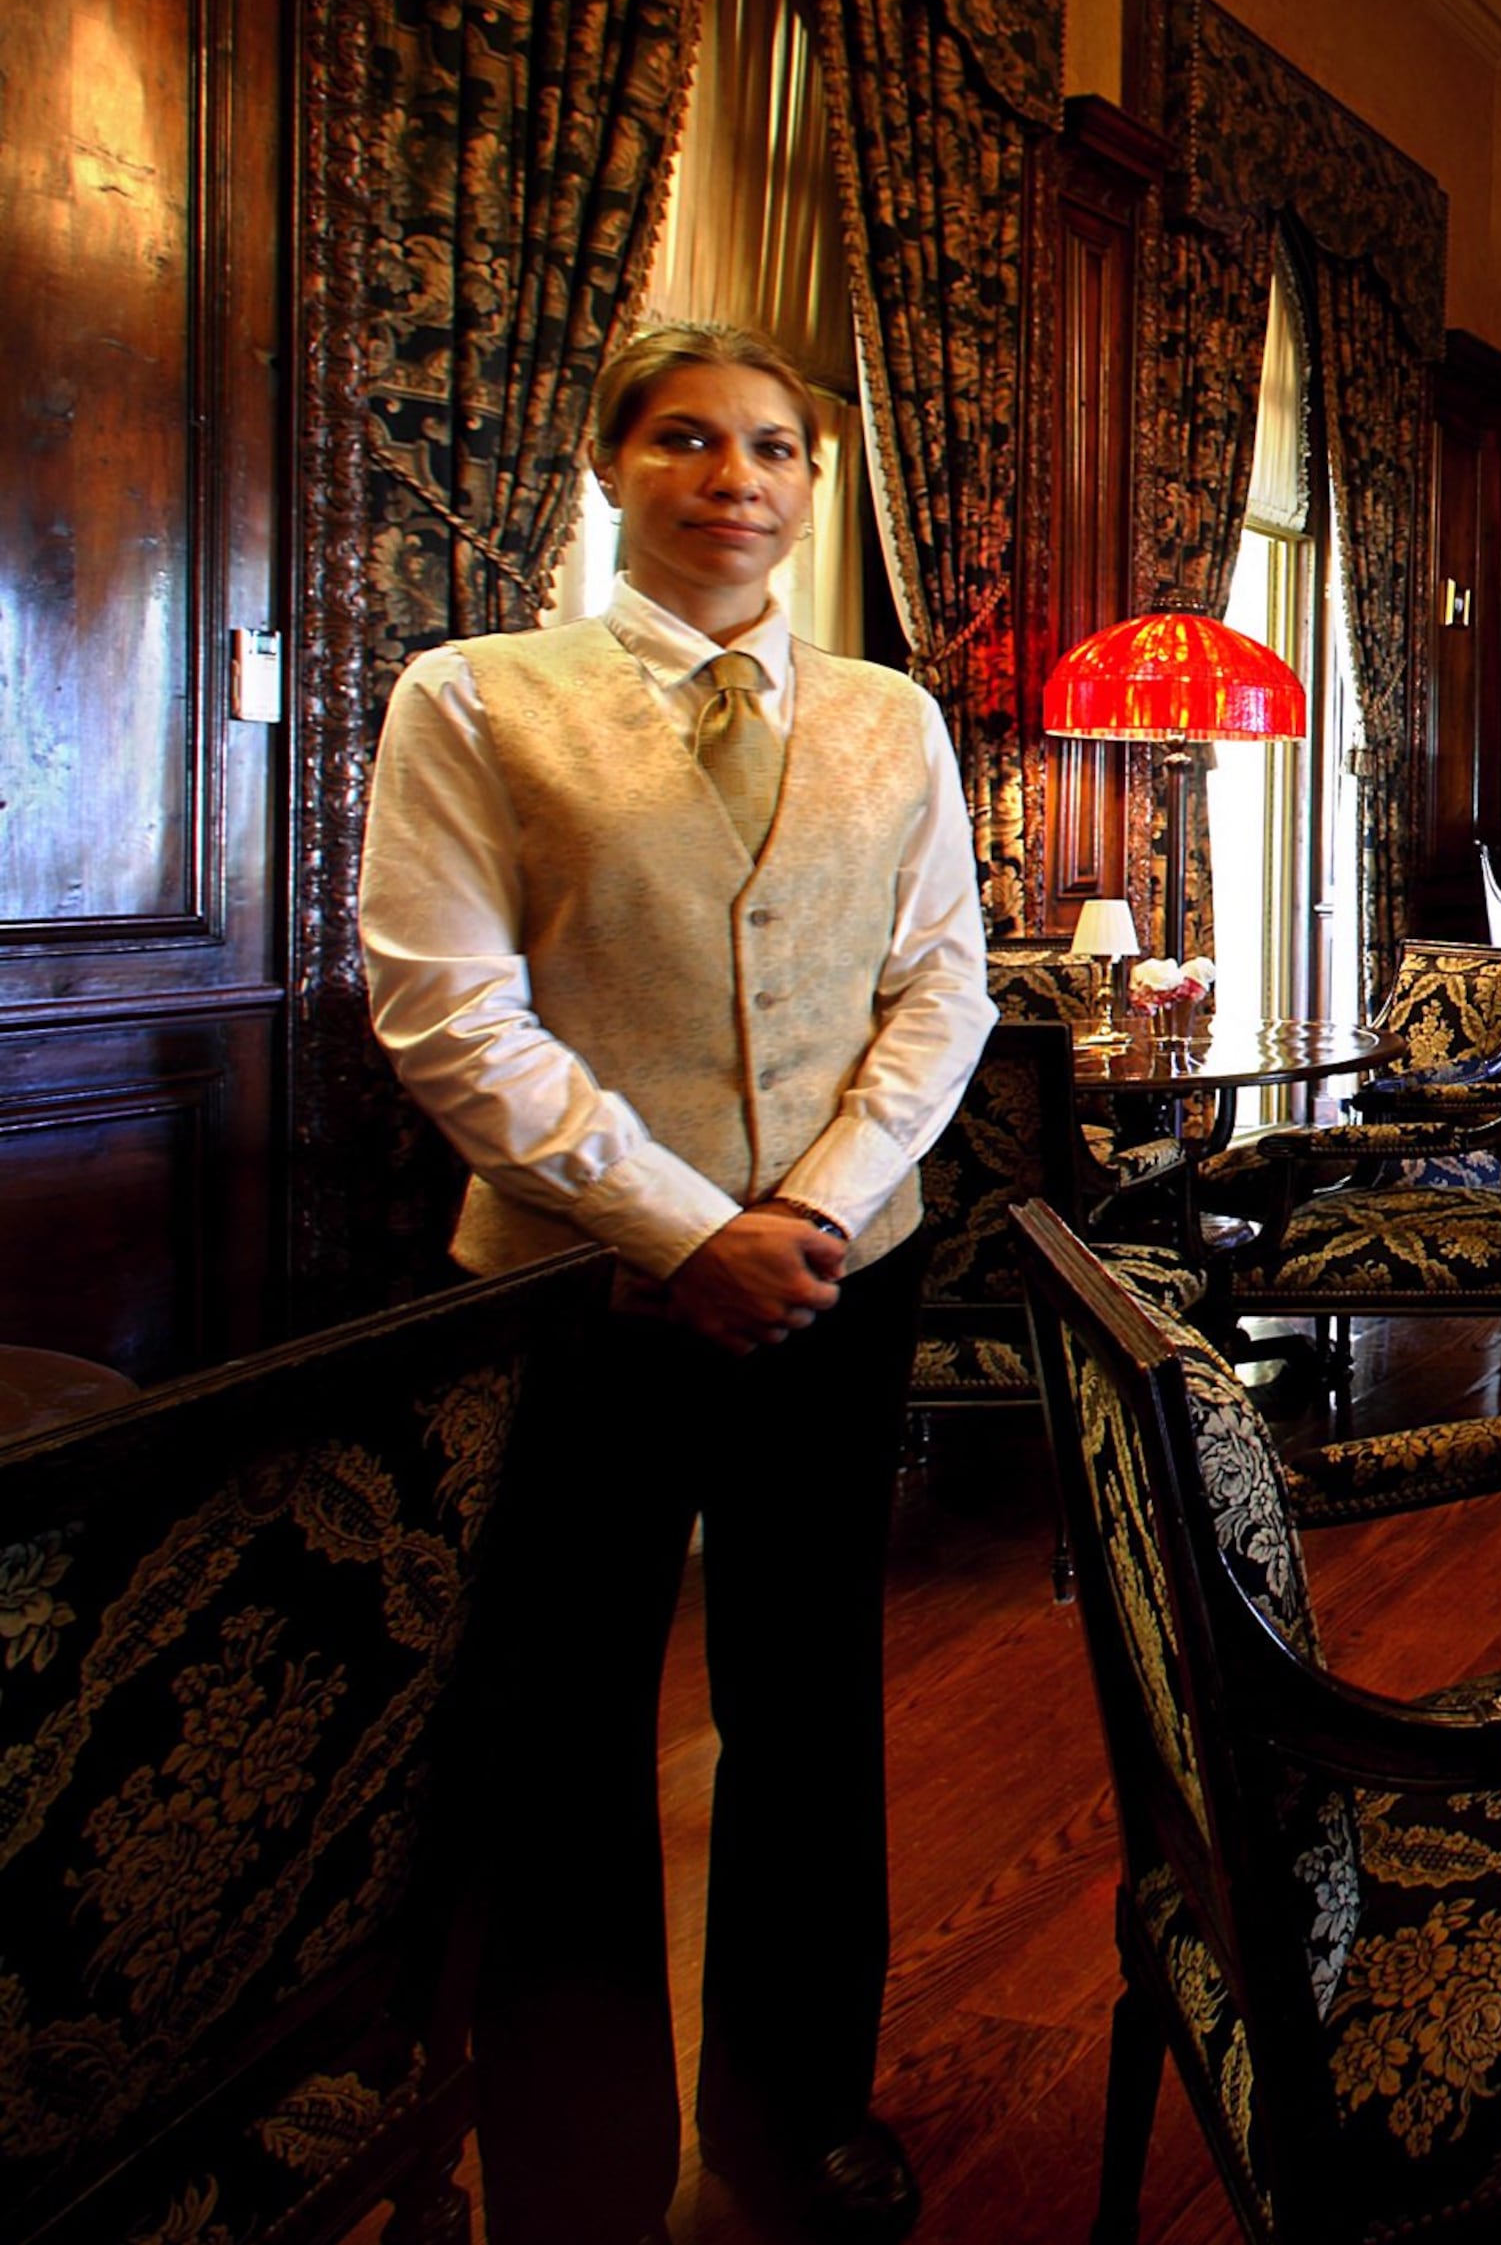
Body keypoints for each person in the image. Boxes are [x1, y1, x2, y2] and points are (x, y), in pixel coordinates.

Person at [360, 322, 993, 2245]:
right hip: (569, 1298)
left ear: (815, 485)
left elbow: (940, 982)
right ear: (611, 466)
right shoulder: (474, 699)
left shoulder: (894, 712)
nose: (736, 476)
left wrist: (804, 1211)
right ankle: (574, 2160)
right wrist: (671, 1227)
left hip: (834, 1284)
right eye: (690, 439)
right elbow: (446, 1008)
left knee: (810, 1712)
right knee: (561, 1734)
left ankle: (797, 2117)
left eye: (776, 447)